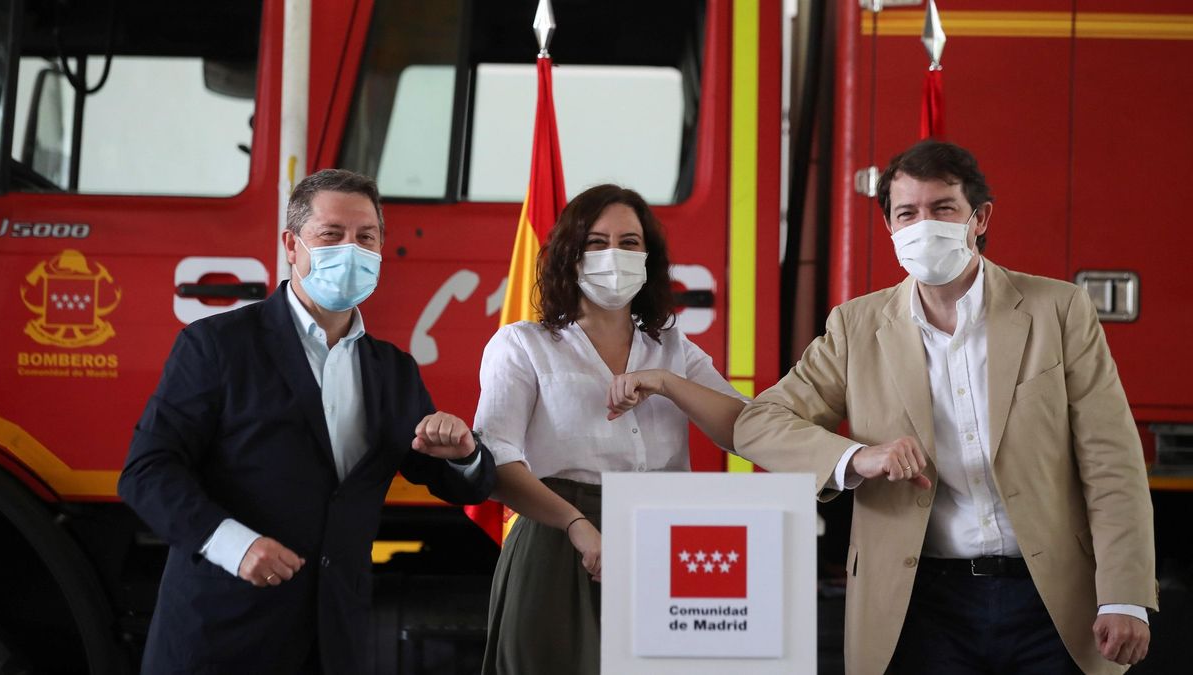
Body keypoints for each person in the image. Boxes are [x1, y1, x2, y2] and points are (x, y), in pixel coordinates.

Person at [734, 140, 1157, 674]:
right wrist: (855, 458)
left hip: (1051, 601)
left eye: (943, 209)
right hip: (919, 606)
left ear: (979, 218)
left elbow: (1112, 462)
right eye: (907, 213)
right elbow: (758, 423)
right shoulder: (855, 327)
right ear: (888, 226)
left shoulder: (1059, 310)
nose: (923, 225)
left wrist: (1124, 594)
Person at [118, 169, 495, 674]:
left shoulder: (392, 370)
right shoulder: (217, 346)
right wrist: (235, 543)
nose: (351, 249)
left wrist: (465, 455)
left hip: (332, 639)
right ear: (291, 246)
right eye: (331, 235)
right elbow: (147, 471)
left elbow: (452, 481)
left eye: (366, 236)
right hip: (220, 635)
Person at [477, 184, 746, 674]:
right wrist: (578, 527)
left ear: (648, 258)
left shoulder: (672, 349)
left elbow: (742, 429)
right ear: (570, 255)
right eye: (596, 243)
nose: (613, 255)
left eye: (629, 243)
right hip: (560, 540)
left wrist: (666, 383)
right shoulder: (522, 345)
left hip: (664, 540)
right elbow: (494, 461)